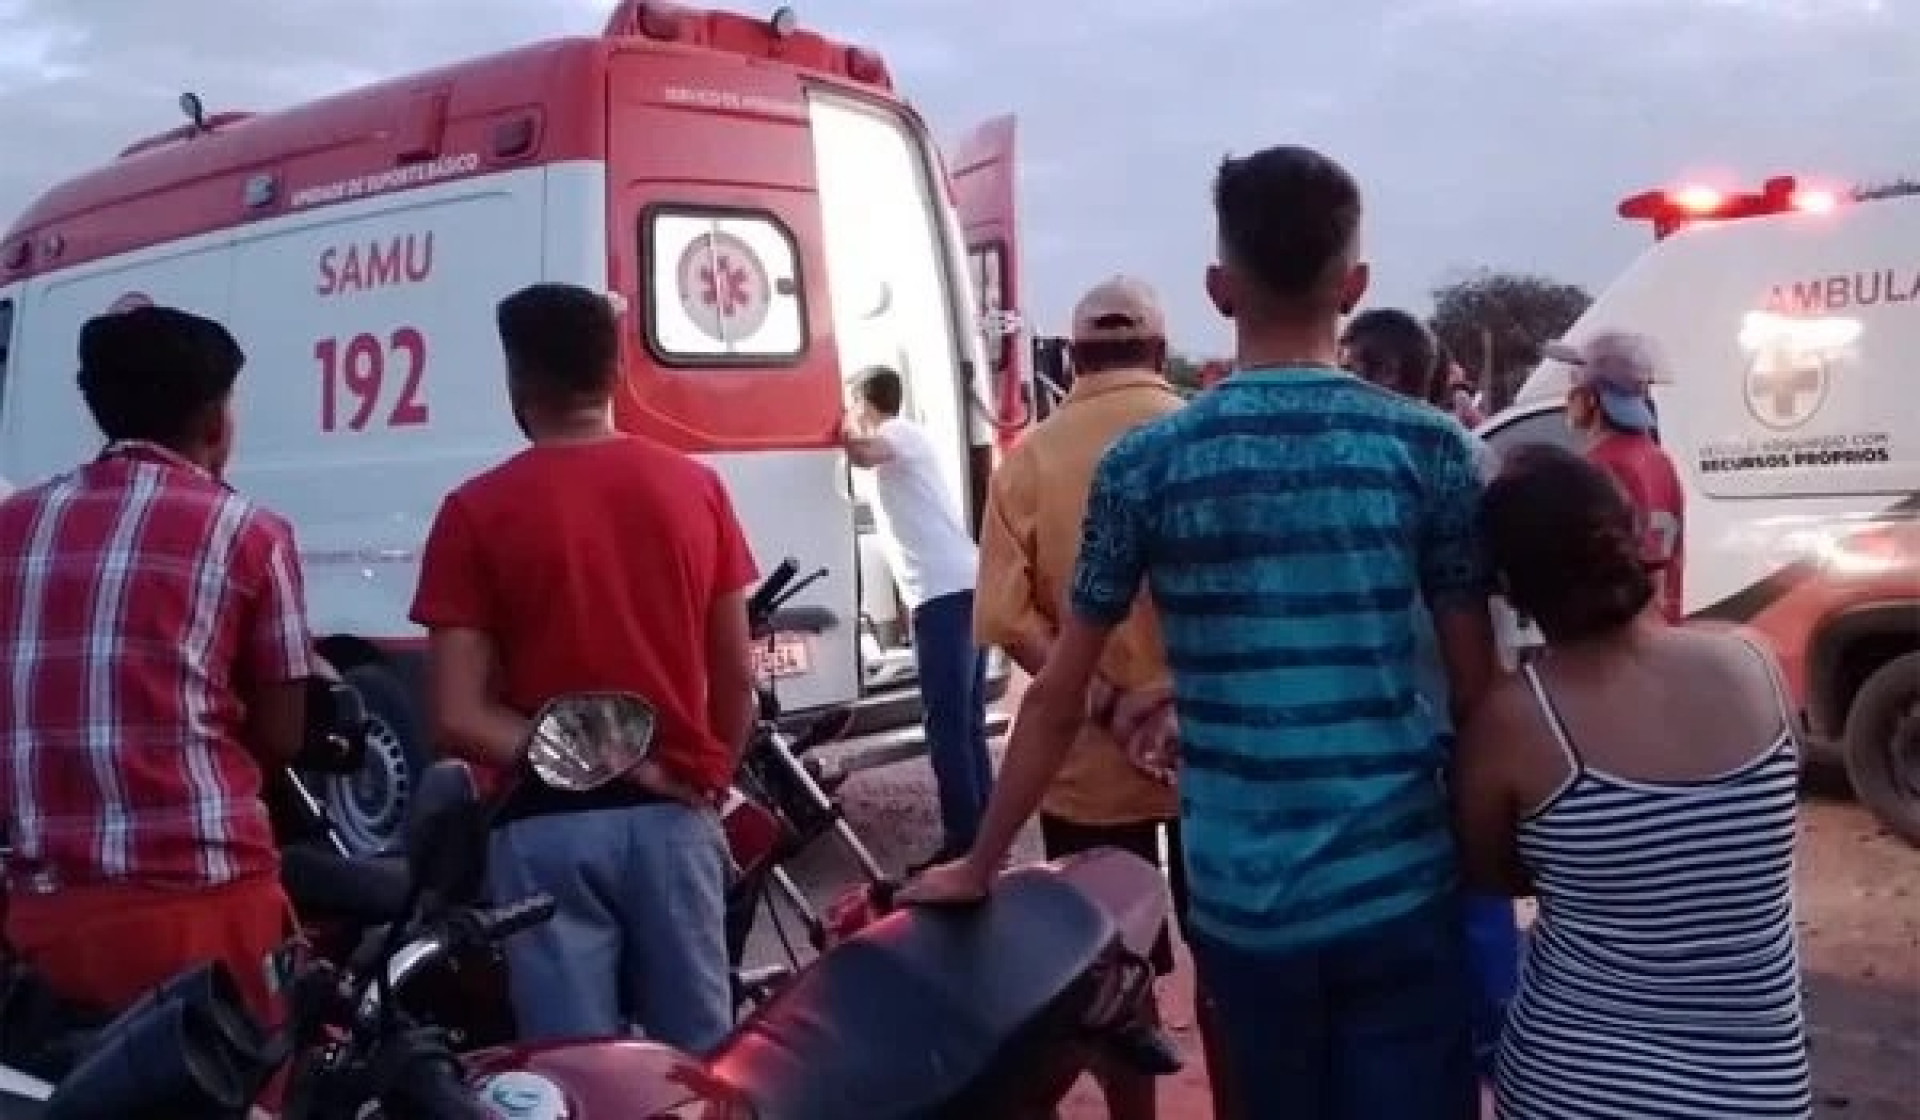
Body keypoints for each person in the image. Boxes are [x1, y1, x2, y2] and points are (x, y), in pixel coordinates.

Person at [905, 145, 1497, 1120]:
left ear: (1221, 290)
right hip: (1400, 888)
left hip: (1243, 904)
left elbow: (1054, 695)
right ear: (1355, 285)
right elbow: (1476, 694)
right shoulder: (1428, 449)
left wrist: (977, 862)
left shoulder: (1148, 465)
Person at [409, 283, 756, 1051]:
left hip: (544, 836)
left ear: (517, 379)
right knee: (697, 1068)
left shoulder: (474, 511)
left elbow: (459, 715)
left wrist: (603, 764)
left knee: (577, 1073)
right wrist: (699, 783)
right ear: (614, 371)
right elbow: (737, 684)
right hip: (677, 822)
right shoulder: (696, 489)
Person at [1453, 443, 1812, 1119]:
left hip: (1576, 1084)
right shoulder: (1754, 661)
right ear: (1631, 534)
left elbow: (1495, 874)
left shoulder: (1515, 722)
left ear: (1509, 587)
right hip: (1762, 1092)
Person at [0, 306, 317, 1025]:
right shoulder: (249, 532)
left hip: (45, 914)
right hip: (204, 904)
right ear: (215, 420)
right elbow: (285, 734)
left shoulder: (12, 528)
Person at [972, 275, 1226, 1120]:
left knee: (1111, 973)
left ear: (1074, 357)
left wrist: (1110, 701)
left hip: (1081, 759)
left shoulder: (1032, 459)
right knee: (1227, 957)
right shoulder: (1205, 434)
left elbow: (1009, 620)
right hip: (1210, 758)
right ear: (1157, 351)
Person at [1341, 308, 1521, 1092]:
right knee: (1478, 885)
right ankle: (1494, 1043)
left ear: (1381, 372)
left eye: (1352, 365)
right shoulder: (1473, 456)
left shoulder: (1367, 460)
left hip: (1405, 712)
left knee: (1424, 902)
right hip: (1470, 708)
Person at [842, 368, 992, 870]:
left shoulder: (896, 433)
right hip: (962, 584)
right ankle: (985, 831)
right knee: (966, 721)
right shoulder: (911, 441)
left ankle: (964, 842)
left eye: (853, 400)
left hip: (946, 594)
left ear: (866, 399)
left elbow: (861, 453)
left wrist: (836, 421)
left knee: (947, 723)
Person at [1544, 331, 1685, 623]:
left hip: (1617, 643)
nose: (1568, 398)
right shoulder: (1659, 460)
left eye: (1575, 386)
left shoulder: (1597, 468)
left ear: (1592, 398)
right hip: (1663, 629)